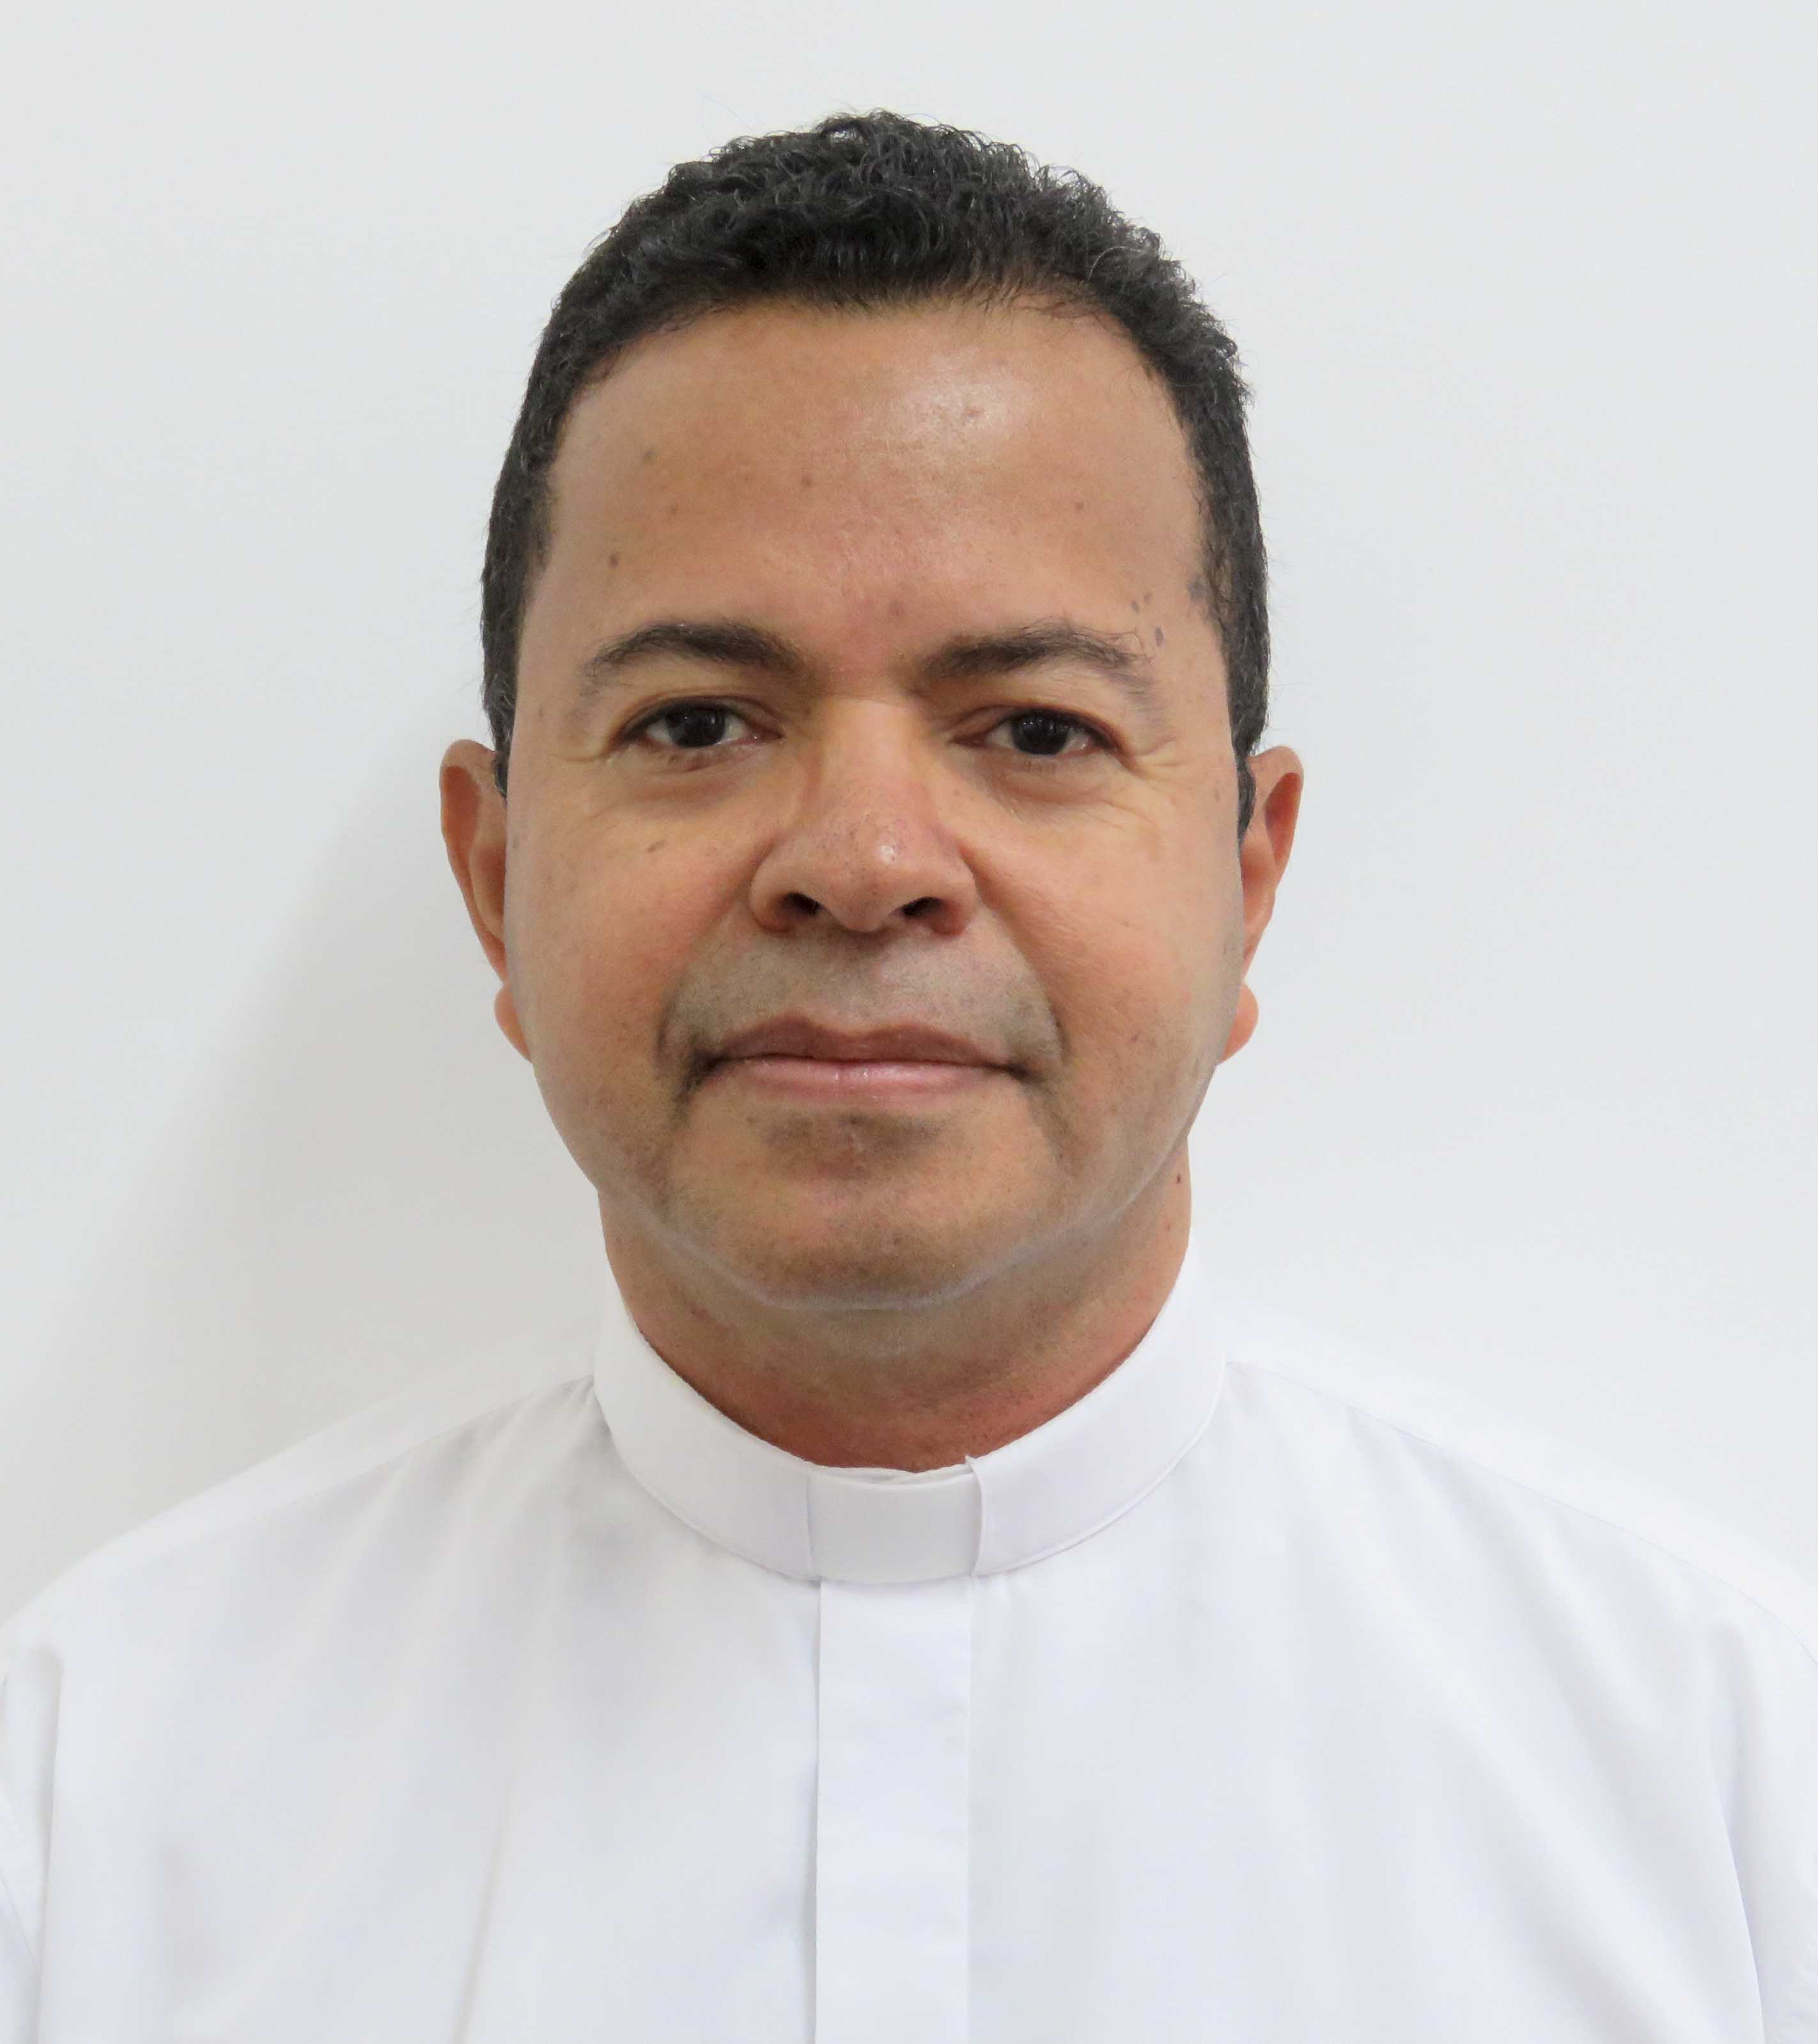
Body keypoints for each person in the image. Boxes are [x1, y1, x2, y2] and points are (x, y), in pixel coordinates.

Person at [1, 109, 1813, 2043]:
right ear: (495, 873)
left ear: (1250, 875)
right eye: (698, 721)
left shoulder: (1719, 1786)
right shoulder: (94, 1799)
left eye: (1033, 730)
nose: (863, 862)